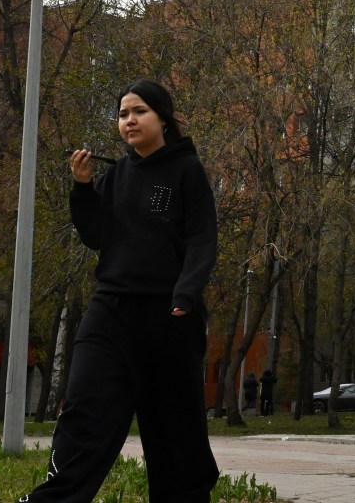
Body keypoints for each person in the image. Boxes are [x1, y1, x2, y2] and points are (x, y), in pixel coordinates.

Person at [20, 79, 219, 503]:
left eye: (139, 111)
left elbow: (202, 237)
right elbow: (96, 236)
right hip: (110, 309)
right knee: (85, 409)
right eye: (123, 113)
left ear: (163, 118)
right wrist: (82, 187)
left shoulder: (186, 169)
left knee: (174, 428)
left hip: (170, 316)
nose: (129, 120)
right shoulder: (117, 174)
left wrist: (186, 293)